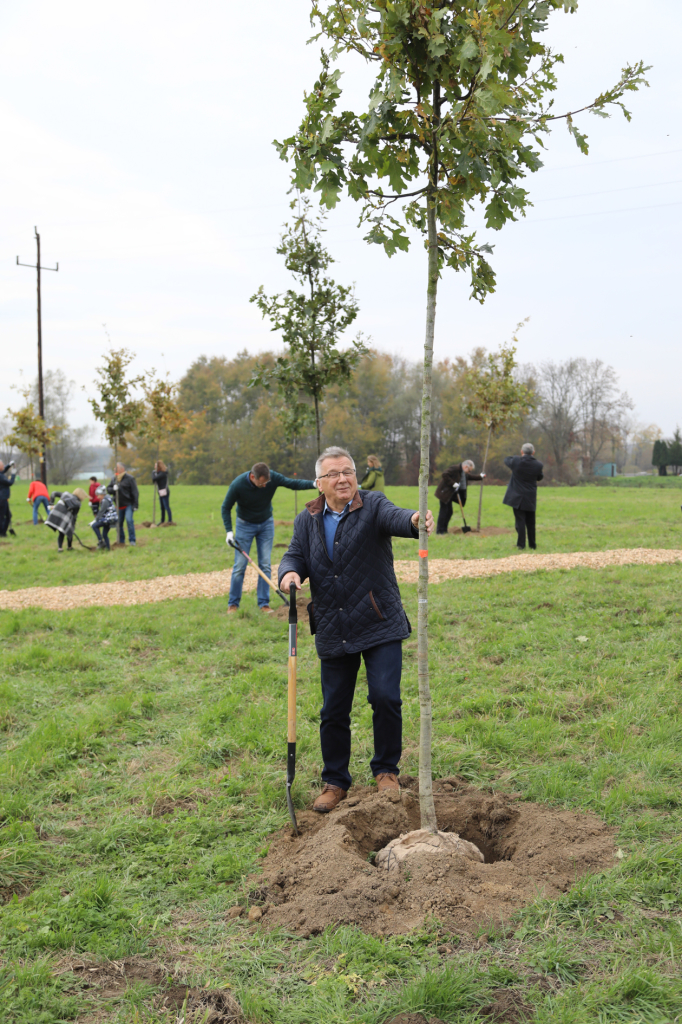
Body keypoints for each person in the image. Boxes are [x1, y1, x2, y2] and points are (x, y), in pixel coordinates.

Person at [279, 445, 434, 812]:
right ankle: (335, 782)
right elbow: (295, 554)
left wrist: (415, 520)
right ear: (319, 483)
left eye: (347, 471)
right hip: (333, 624)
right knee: (333, 710)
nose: (343, 478)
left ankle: (386, 772)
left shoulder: (373, 505)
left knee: (385, 697)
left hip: (379, 621)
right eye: (333, 474)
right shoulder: (307, 520)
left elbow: (398, 518)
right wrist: (289, 572)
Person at [222, 462, 317, 614]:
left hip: (266, 525)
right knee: (239, 566)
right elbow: (225, 507)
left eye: (267, 482)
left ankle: (263, 604)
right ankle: (233, 604)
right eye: (262, 483)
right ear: (253, 477)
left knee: (265, 564)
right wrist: (229, 531)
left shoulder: (273, 478)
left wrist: (314, 484)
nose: (266, 485)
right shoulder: (238, 485)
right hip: (244, 526)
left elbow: (293, 483)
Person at [503, 443, 544, 550]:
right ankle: (532, 545)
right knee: (531, 522)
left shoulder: (516, 461)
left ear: (521, 452)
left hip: (517, 497)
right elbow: (540, 477)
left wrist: (518, 457)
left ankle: (521, 545)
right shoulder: (538, 465)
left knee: (520, 521)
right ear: (533, 452)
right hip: (530, 497)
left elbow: (506, 459)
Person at [435, 459, 485, 534]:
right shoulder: (455, 468)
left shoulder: (463, 472)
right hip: (444, 493)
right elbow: (444, 474)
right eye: (469, 470)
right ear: (465, 467)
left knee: (449, 512)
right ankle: (439, 531)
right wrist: (453, 483)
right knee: (444, 511)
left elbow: (470, 477)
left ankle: (444, 530)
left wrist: (480, 477)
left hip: (450, 495)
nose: (469, 472)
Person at [45, 487, 88, 551]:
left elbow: (54, 493)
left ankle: (60, 548)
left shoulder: (66, 494)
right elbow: (74, 514)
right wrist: (73, 524)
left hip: (57, 515)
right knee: (69, 531)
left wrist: (51, 503)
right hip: (66, 518)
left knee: (61, 532)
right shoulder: (78, 503)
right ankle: (69, 547)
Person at [107, 463, 139, 547]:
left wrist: (135, 505)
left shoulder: (130, 478)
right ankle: (121, 540)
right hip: (118, 505)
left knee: (129, 521)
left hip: (128, 504)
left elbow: (135, 492)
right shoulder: (114, 479)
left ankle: (132, 540)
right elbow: (108, 489)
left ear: (122, 469)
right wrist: (113, 489)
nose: (114, 469)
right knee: (118, 523)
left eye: (116, 468)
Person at [90, 485, 117, 550]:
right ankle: (108, 549)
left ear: (102, 494)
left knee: (94, 526)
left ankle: (100, 541)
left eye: (98, 495)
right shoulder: (107, 498)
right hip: (110, 518)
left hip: (108, 519)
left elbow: (101, 511)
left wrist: (95, 520)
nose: (97, 496)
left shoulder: (105, 500)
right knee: (104, 534)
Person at [0, 460, 17, 537]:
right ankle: (2, 533)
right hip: (2, 499)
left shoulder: (1, 474)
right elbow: (10, 483)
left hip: (4, 498)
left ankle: (3, 532)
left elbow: (3, 470)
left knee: (8, 515)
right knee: (2, 516)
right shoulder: (1, 476)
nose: (3, 466)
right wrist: (13, 474)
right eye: (2, 465)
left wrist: (9, 465)